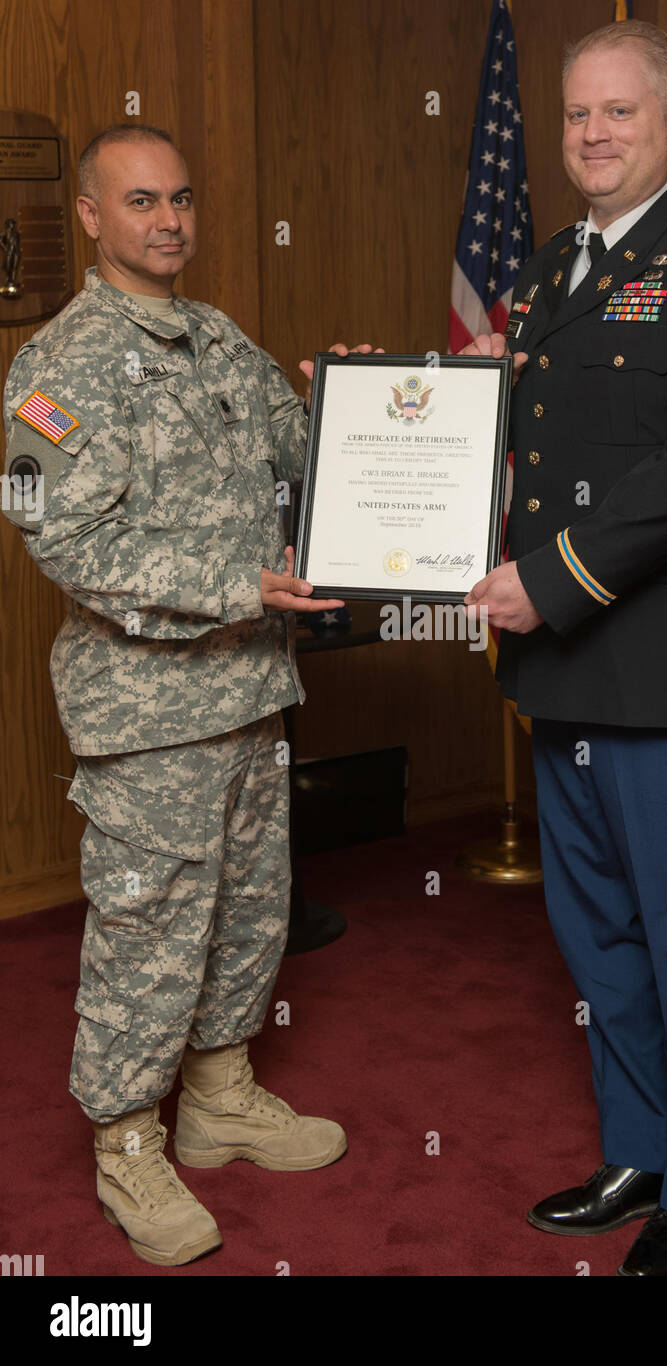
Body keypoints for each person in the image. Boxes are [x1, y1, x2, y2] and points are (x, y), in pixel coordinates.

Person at [1, 124, 378, 1267]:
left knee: (246, 911)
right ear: (91, 217)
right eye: (141, 201)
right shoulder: (58, 366)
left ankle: (216, 1096)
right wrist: (232, 586)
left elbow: (300, 455)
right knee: (149, 928)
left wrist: (357, 405)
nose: (168, 220)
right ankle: (126, 1140)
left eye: (181, 199)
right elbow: (57, 534)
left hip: (248, 691)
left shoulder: (216, 338)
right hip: (148, 710)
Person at [464, 21, 667, 1276]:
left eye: (618, 111)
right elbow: (537, 433)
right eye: (575, 114)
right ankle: (639, 1148)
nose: (592, 134)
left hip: (663, 659)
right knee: (599, 933)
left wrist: (547, 582)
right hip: (565, 663)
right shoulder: (555, 266)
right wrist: (406, 410)